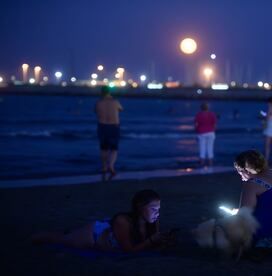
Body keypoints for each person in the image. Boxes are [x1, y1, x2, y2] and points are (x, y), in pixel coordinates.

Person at [31, 190, 176, 252]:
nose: (157, 213)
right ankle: (31, 238)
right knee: (59, 239)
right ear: (139, 207)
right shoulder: (123, 221)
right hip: (93, 236)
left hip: (110, 232)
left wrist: (163, 241)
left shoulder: (153, 220)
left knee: (65, 235)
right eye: (153, 209)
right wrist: (152, 241)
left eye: (158, 209)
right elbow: (129, 250)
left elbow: (149, 244)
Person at [95, 86, 123, 181]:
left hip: (102, 126)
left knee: (103, 148)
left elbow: (96, 111)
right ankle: (111, 165)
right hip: (113, 126)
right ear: (109, 92)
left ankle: (104, 167)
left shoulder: (98, 102)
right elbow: (121, 109)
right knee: (114, 148)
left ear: (101, 92)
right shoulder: (115, 102)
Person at [194, 102, 217, 167]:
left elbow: (196, 124)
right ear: (208, 108)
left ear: (201, 108)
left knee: (202, 147)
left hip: (201, 132)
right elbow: (214, 125)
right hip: (211, 132)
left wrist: (196, 130)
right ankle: (210, 162)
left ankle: (202, 161)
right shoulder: (212, 114)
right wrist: (213, 130)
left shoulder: (198, 114)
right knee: (210, 147)